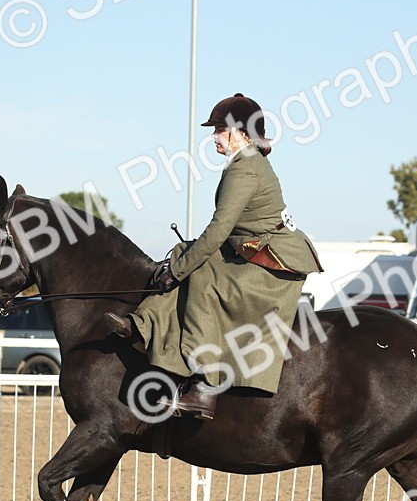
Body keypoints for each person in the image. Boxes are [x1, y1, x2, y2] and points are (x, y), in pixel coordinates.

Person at [107, 93, 322, 420]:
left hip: (274, 263)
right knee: (183, 252)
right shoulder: (245, 162)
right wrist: (181, 261)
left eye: (219, 129)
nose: (213, 137)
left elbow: (219, 230)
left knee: (202, 277)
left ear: (238, 132)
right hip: (258, 251)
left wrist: (178, 271)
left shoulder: (245, 169)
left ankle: (204, 387)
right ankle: (143, 326)